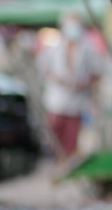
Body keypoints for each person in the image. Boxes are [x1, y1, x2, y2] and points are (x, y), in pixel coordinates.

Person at [38, 11, 102, 159]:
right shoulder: (55, 45)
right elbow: (44, 68)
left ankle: (67, 161)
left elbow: (97, 72)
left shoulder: (88, 48)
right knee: (54, 132)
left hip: (77, 100)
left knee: (71, 136)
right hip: (57, 98)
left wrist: (83, 84)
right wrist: (58, 80)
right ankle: (56, 160)